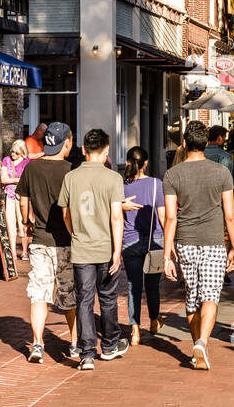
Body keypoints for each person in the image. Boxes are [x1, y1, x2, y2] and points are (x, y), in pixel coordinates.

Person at [163, 120, 234, 371]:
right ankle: (202, 343)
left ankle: (197, 344)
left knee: (192, 297)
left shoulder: (173, 174)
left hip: (185, 241)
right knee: (210, 296)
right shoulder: (221, 173)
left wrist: (167, 253)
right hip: (213, 242)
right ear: (206, 144)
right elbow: (230, 215)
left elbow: (171, 217)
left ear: (184, 144)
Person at [59, 129, 129, 370]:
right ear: (106, 150)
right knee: (108, 298)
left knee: (84, 300)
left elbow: (65, 214)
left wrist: (75, 234)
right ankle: (109, 345)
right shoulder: (113, 179)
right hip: (106, 247)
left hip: (82, 248)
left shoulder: (71, 177)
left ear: (83, 150)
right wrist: (117, 251)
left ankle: (87, 353)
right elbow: (116, 218)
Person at [18, 122, 78, 364]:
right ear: (67, 143)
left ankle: (38, 344)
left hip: (40, 240)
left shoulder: (32, 169)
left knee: (39, 295)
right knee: (69, 294)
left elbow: (23, 200)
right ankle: (74, 344)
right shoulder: (72, 170)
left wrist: (27, 221)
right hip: (67, 241)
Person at [119, 146, 166, 345]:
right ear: (146, 163)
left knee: (133, 286)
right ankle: (154, 320)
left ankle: (135, 330)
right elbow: (163, 216)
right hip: (154, 240)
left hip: (129, 241)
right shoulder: (157, 184)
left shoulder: (122, 185)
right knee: (153, 285)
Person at [0, 138, 28, 260]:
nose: (13, 154)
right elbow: (4, 180)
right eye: (12, 151)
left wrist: (12, 181)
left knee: (23, 223)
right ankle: (12, 252)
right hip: (10, 196)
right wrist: (17, 180)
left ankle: (25, 251)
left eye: (16, 152)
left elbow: (27, 180)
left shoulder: (27, 162)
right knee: (10, 224)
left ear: (22, 152)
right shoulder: (6, 160)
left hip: (22, 195)